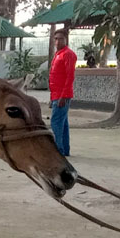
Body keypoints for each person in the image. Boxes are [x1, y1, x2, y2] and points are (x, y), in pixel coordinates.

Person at [49, 29, 77, 157]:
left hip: (62, 96)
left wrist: (63, 96)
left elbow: (69, 76)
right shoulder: (58, 54)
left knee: (56, 122)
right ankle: (64, 150)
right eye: (55, 39)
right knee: (63, 124)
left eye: (60, 38)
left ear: (66, 39)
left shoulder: (68, 54)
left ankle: (58, 151)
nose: (57, 41)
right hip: (56, 94)